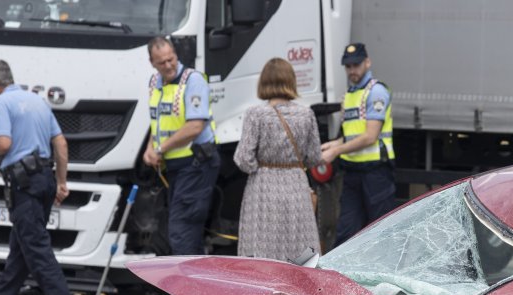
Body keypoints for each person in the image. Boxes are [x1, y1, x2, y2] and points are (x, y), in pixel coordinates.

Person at [0, 59, 80, 295]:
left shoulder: (0, 103)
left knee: (35, 245)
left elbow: (4, 143)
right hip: (44, 179)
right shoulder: (38, 101)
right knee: (21, 246)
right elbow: (61, 144)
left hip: (24, 184)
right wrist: (61, 181)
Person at [233, 57, 321, 260]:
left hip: (263, 187)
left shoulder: (256, 114)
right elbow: (314, 157)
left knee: (262, 247)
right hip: (296, 185)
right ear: (291, 81)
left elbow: (243, 159)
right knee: (299, 245)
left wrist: (261, 166)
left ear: (263, 82)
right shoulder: (306, 114)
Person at [143, 36, 219, 255]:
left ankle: (181, 288)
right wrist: (150, 147)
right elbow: (157, 122)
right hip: (175, 166)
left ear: (176, 54)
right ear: (152, 63)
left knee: (182, 229)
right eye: (162, 62)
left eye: (171, 59)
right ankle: (194, 287)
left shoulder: (192, 81)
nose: (168, 66)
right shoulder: (154, 82)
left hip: (195, 164)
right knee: (182, 231)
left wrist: (160, 149)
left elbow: (195, 126)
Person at [321, 42, 396, 246]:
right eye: (348, 66)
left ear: (367, 62)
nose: (352, 70)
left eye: (356, 65)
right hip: (353, 174)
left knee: (382, 235)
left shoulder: (376, 92)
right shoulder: (350, 96)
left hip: (376, 173)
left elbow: (370, 136)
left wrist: (336, 150)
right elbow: (352, 136)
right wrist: (332, 144)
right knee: (347, 235)